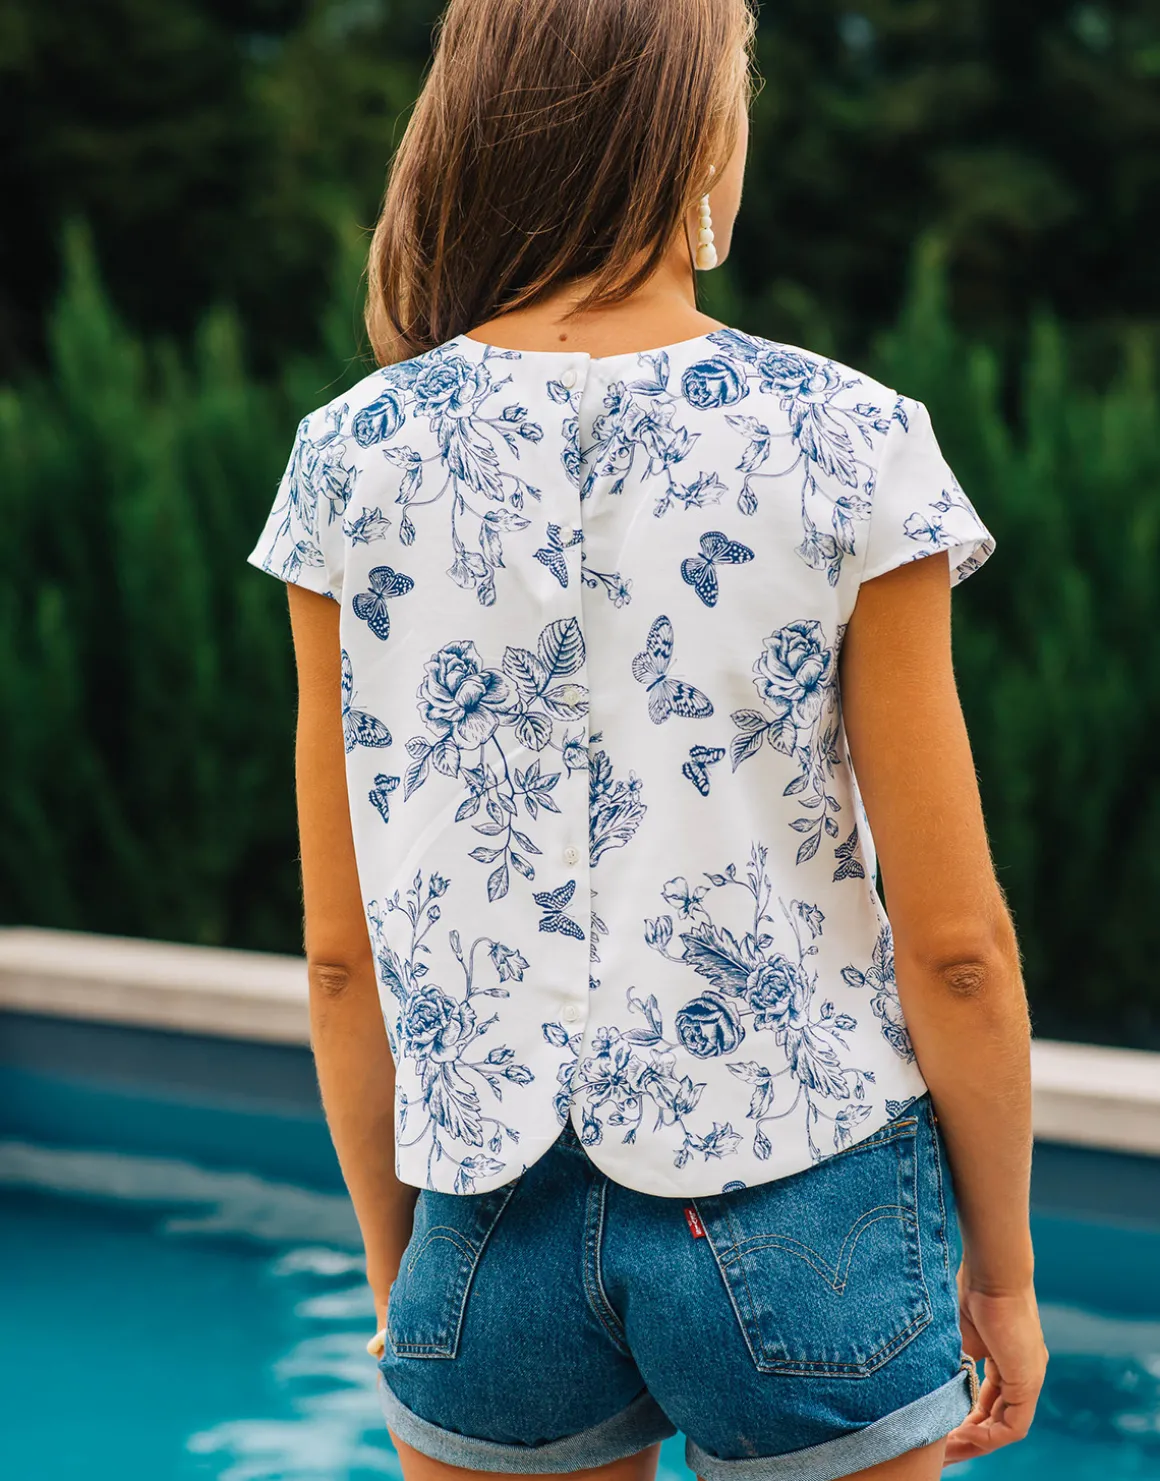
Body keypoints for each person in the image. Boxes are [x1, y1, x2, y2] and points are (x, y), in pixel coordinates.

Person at [246, 2, 1048, 1478]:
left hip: (487, 1213)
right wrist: (1001, 1267)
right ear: (694, 131)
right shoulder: (850, 439)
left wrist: (400, 1262)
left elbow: (341, 955)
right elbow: (955, 946)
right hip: (811, 1195)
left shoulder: (349, 457)